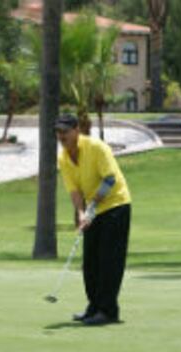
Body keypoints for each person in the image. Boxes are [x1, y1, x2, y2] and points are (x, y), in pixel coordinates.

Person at [55, 113, 132, 326]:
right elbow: (74, 190)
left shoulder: (97, 148)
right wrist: (81, 213)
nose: (61, 136)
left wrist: (92, 206)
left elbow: (109, 179)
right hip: (92, 209)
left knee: (109, 261)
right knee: (90, 262)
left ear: (76, 131)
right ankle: (94, 307)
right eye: (58, 132)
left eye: (65, 131)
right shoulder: (63, 157)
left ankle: (107, 311)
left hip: (116, 205)